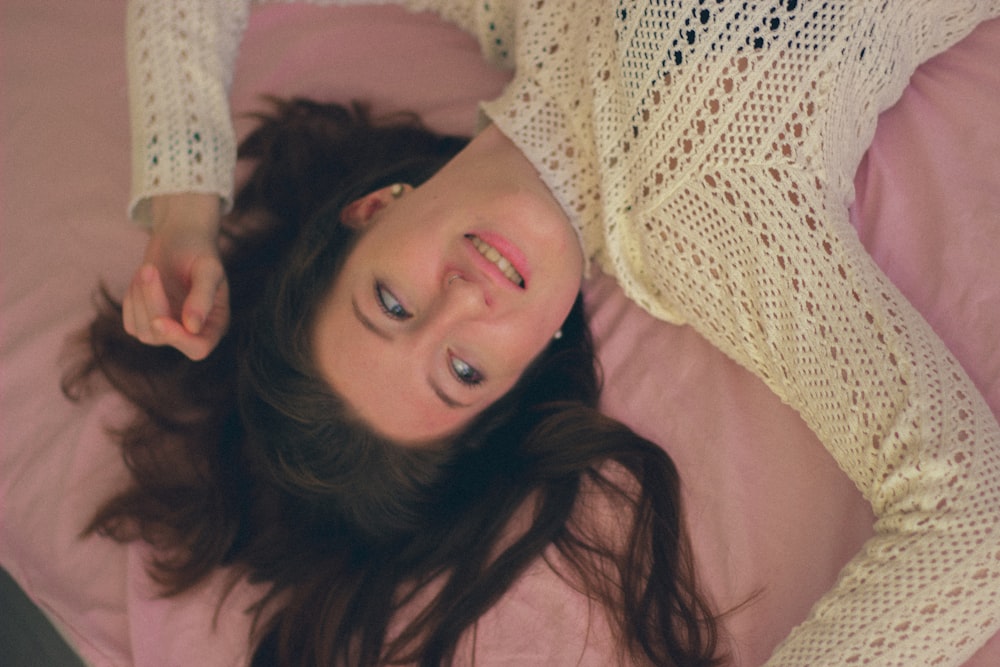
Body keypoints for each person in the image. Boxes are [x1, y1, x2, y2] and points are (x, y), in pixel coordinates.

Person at [73, 0, 1000, 665]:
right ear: (531, 364)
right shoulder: (706, 220)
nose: (462, 301)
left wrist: (185, 209)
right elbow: (974, 521)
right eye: (464, 369)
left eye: (391, 303)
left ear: (374, 209)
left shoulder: (507, 15)